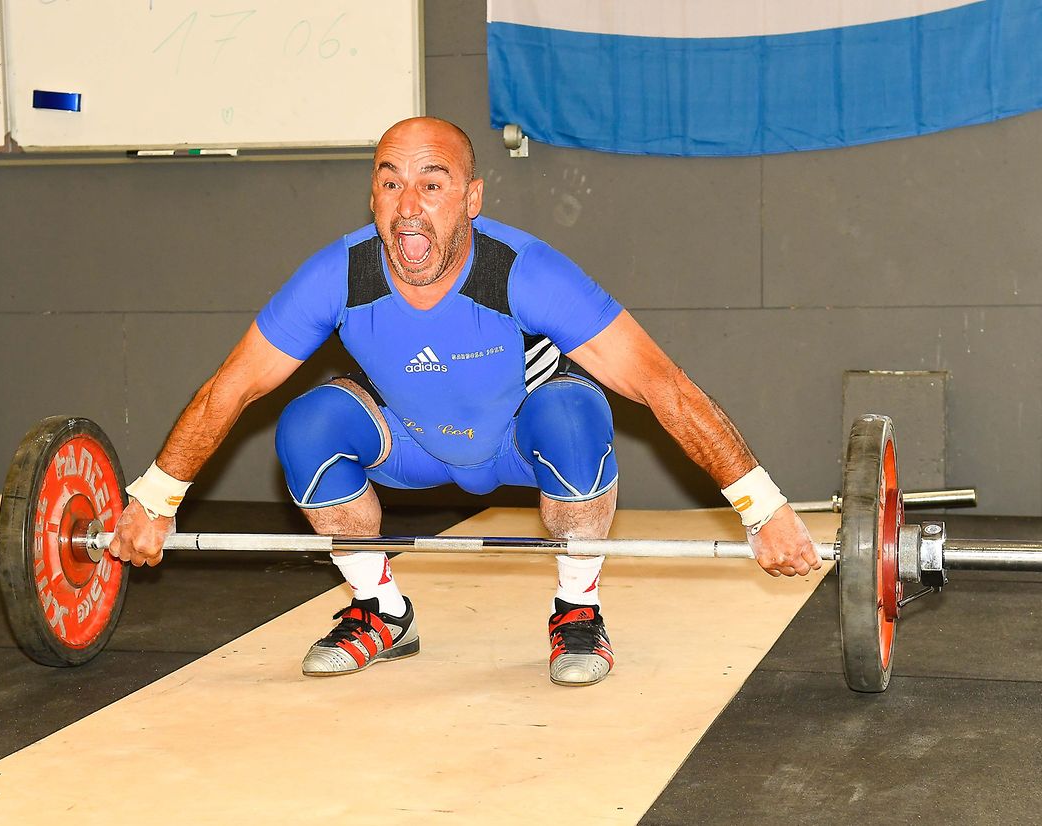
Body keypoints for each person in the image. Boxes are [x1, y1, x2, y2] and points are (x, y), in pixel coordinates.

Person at [109, 117, 818, 687]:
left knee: (577, 414)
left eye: (431, 185)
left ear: (472, 200)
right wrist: (154, 499)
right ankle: (381, 611)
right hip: (412, 442)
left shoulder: (524, 273)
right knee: (307, 424)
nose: (408, 208)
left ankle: (577, 608)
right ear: (373, 198)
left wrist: (764, 509)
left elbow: (660, 383)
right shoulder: (339, 274)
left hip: (519, 439)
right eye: (390, 185)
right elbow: (232, 386)